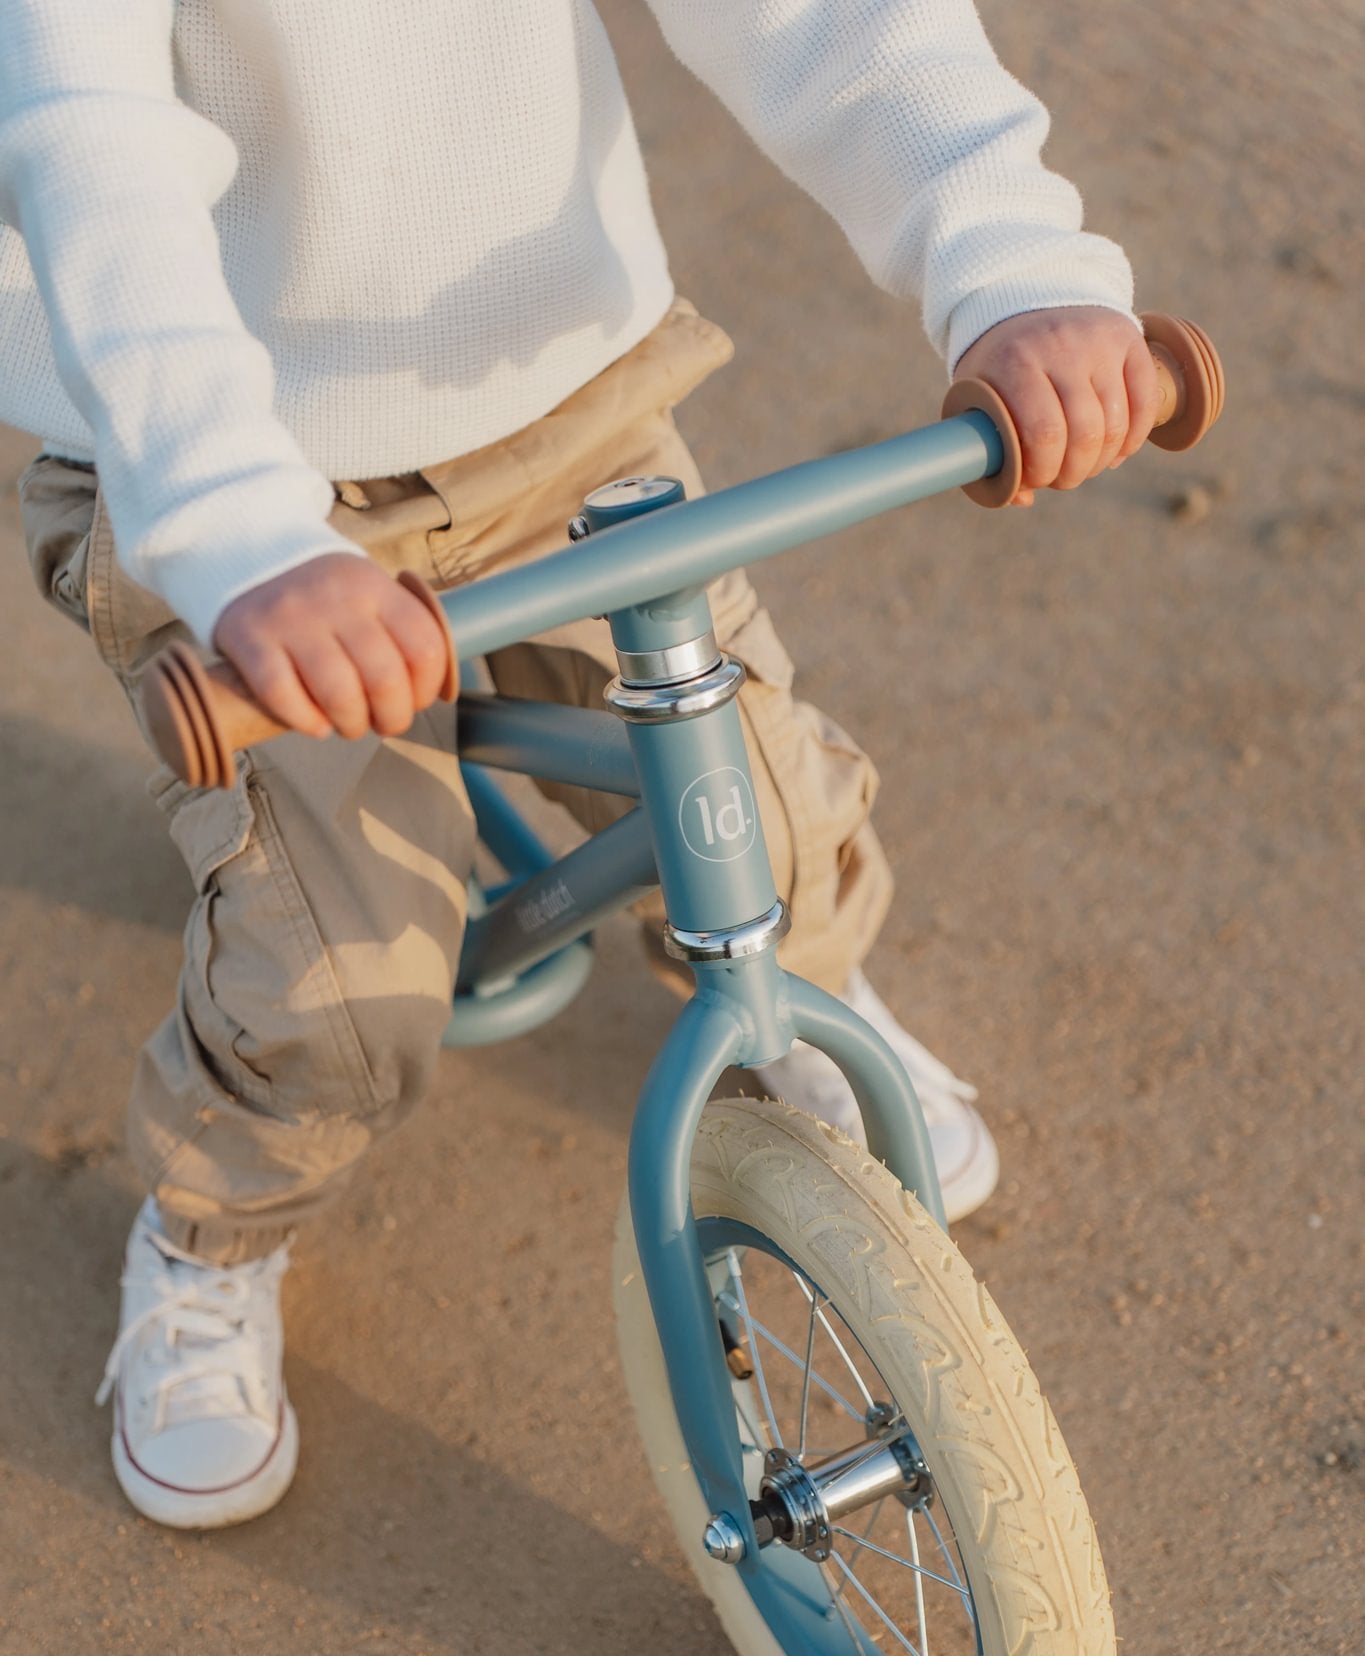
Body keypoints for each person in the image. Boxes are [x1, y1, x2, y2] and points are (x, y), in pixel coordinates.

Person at [1, 1, 1159, 1530]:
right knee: (339, 986)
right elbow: (95, 148)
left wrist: (1004, 255)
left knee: (755, 807)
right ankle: (213, 1236)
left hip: (555, 387)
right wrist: (233, 532)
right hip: (234, 467)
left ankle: (791, 977)